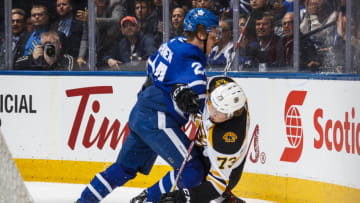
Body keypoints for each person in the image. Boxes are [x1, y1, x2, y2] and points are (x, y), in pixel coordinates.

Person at [76, 8, 218, 203]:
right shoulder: (194, 66)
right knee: (193, 169)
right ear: (201, 33)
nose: (216, 38)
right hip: (157, 120)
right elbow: (201, 106)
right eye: (213, 33)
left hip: (141, 111)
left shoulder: (173, 44)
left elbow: (151, 69)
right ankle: (147, 199)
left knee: (123, 169)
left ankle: (84, 201)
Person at [141, 76, 250, 203]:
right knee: (190, 169)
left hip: (225, 170)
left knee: (194, 177)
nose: (212, 113)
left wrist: (186, 196)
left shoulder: (227, 141)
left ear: (231, 115)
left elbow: (217, 185)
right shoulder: (218, 85)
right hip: (204, 144)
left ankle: (224, 199)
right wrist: (180, 91)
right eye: (212, 105)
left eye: (219, 112)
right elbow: (189, 79)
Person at [15, 31, 79, 71]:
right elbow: (16, 65)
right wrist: (32, 59)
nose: (48, 47)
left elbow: (68, 76)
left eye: (51, 43)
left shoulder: (67, 59)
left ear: (59, 45)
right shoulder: (38, 56)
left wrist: (52, 63)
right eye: (45, 44)